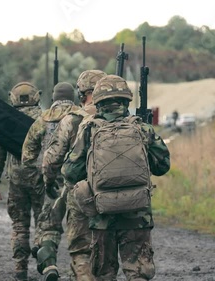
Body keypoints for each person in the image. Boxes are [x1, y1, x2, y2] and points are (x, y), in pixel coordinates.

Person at [62, 75, 170, 281]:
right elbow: (163, 166)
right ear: (126, 100)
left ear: (98, 101)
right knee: (138, 273)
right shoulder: (142, 128)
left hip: (102, 216)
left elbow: (70, 172)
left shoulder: (88, 129)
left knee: (104, 274)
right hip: (137, 215)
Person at [38, 70, 106, 281]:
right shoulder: (120, 119)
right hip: (113, 193)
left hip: (80, 193)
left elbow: (51, 160)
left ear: (82, 92)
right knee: (108, 252)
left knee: (81, 250)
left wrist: (49, 183)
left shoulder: (73, 120)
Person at [21, 82, 81, 280]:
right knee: (79, 226)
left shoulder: (43, 118)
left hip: (51, 180)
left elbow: (27, 154)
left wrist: (40, 169)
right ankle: (80, 271)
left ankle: (49, 265)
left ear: (54, 97)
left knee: (48, 226)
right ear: (73, 96)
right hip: (77, 180)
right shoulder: (81, 116)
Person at [0, 82, 44, 281]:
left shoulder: (6, 120)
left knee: (20, 225)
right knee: (43, 222)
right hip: (41, 177)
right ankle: (46, 263)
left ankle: (20, 270)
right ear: (36, 96)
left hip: (17, 179)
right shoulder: (44, 118)